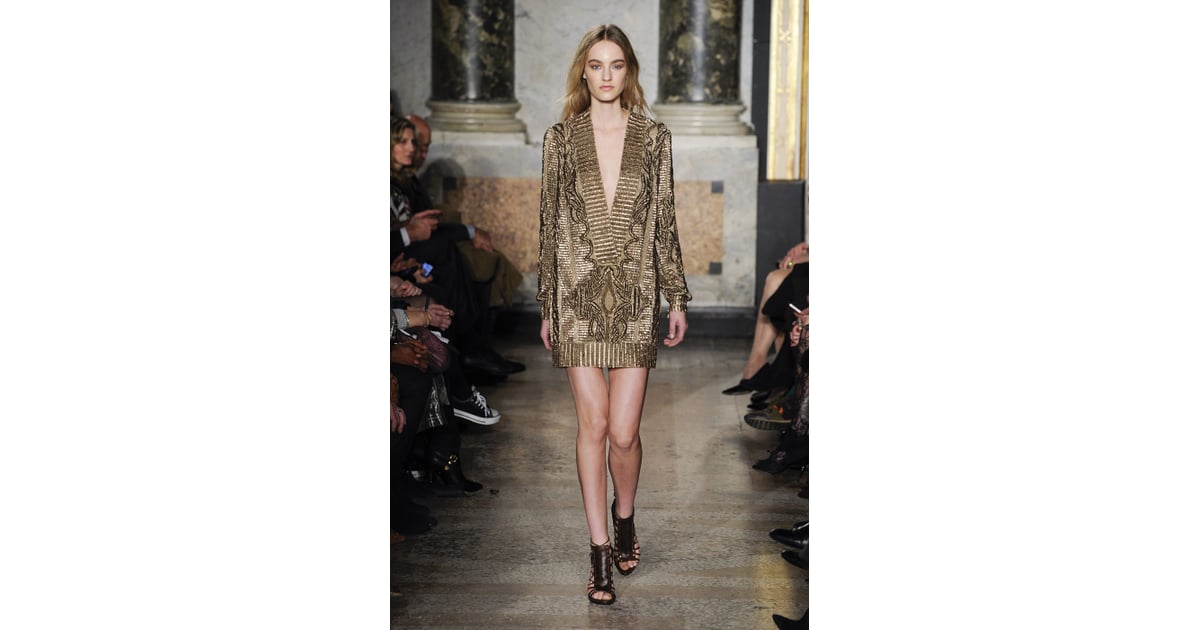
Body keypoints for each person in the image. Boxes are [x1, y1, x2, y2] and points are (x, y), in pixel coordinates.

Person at [537, 24, 690, 606]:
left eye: (617, 65)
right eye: (597, 65)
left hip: (634, 299)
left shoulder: (654, 137)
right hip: (576, 300)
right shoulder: (559, 139)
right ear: (584, 70)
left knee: (624, 434)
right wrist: (547, 303)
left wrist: (676, 297)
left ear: (629, 72)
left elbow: (665, 220)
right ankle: (599, 550)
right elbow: (548, 224)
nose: (606, 75)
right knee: (594, 426)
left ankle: (624, 515)